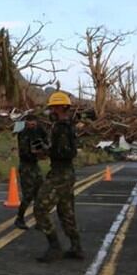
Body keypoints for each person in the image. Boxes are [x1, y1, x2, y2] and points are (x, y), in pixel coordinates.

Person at [34, 92, 83, 262]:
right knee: (66, 212)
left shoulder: (61, 128)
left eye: (54, 107)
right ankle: (76, 247)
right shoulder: (66, 126)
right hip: (66, 173)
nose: (51, 110)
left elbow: (66, 153)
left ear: (63, 107)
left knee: (40, 208)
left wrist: (46, 152)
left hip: (60, 174)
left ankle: (54, 247)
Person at [14, 114, 47, 230]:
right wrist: (37, 153)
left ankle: (39, 220)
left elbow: (44, 140)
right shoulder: (23, 134)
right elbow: (24, 152)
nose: (32, 126)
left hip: (34, 165)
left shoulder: (37, 132)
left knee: (40, 193)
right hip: (26, 166)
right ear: (26, 123)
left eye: (34, 124)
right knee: (28, 195)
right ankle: (19, 218)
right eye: (30, 124)